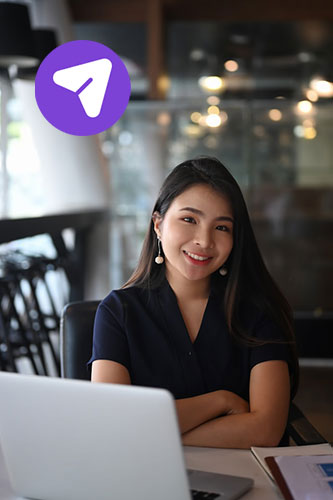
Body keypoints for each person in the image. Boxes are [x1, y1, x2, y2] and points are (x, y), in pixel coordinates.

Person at [89, 156, 299, 449]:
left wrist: (148, 432)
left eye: (222, 227)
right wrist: (220, 401)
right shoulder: (118, 312)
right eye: (189, 219)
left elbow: (265, 430)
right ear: (158, 224)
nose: (204, 240)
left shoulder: (258, 313)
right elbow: (113, 422)